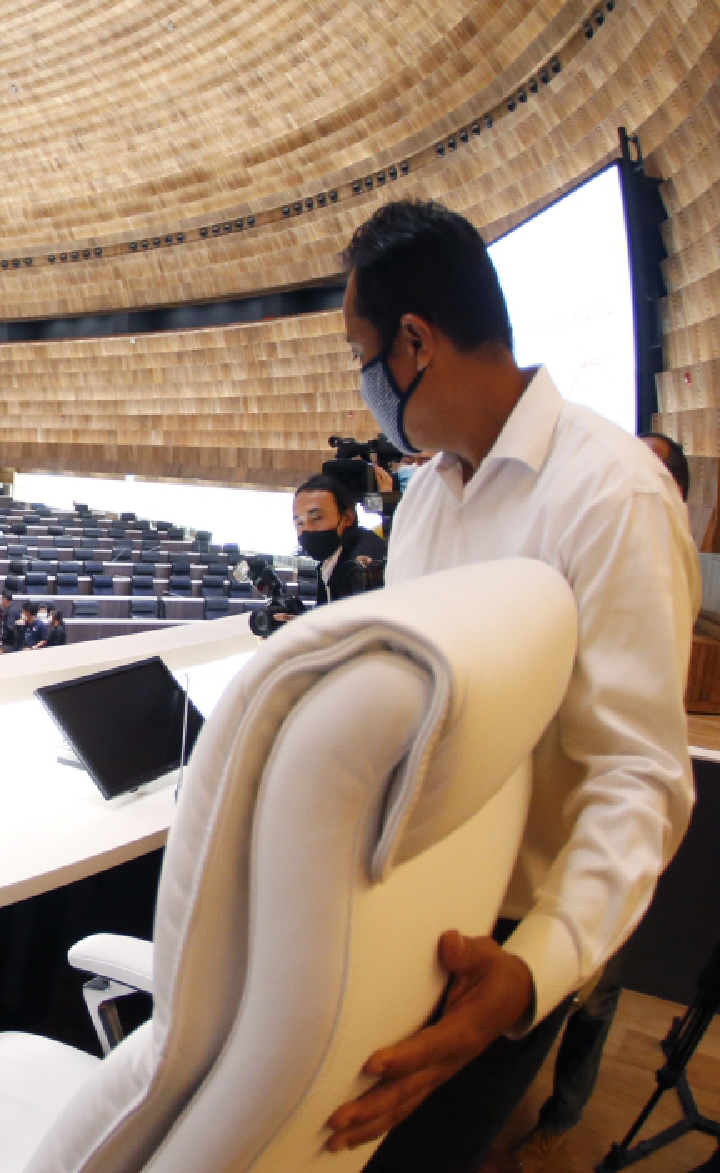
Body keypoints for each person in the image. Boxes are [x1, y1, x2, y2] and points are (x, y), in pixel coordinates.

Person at [318, 201, 697, 1170]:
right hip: (395, 907)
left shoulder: (609, 493)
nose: (361, 382)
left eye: (360, 352)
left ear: (412, 342)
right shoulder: (424, 504)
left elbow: (636, 774)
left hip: (497, 946)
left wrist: (531, 971)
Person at [511, 427, 695, 1168]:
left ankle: (566, 1111)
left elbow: (640, 744)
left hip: (602, 829)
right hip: (536, 822)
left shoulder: (656, 548)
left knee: (595, 992)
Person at [293, 473, 388, 604]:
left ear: (348, 518)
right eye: (299, 523)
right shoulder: (330, 561)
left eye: (316, 518)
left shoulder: (362, 561)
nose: (307, 529)